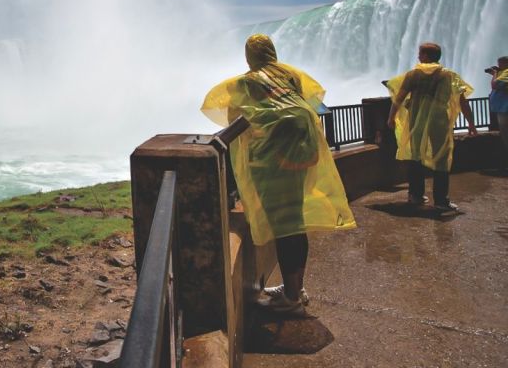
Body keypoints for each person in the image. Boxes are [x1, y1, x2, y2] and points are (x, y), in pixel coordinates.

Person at [202, 34, 356, 316]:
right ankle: (296, 287)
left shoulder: (247, 82)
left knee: (285, 229)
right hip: (302, 153)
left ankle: (292, 299)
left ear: (250, 56)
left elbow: (237, 118)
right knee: (295, 223)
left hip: (273, 161)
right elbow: (309, 103)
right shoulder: (289, 75)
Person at [387, 42, 476, 211]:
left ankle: (415, 196)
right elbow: (462, 102)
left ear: (427, 56)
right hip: (438, 122)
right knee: (441, 159)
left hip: (416, 122)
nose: (418, 56)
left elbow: (399, 98)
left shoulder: (413, 74)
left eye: (420, 53)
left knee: (415, 157)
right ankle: (441, 201)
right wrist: (470, 123)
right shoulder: (448, 75)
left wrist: (391, 117)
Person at [488, 56, 508, 154]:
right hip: (502, 108)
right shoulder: (503, 73)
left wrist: (495, 73)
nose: (499, 66)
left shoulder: (507, 72)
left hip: (505, 109)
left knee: (505, 133)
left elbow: (494, 85)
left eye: (500, 64)